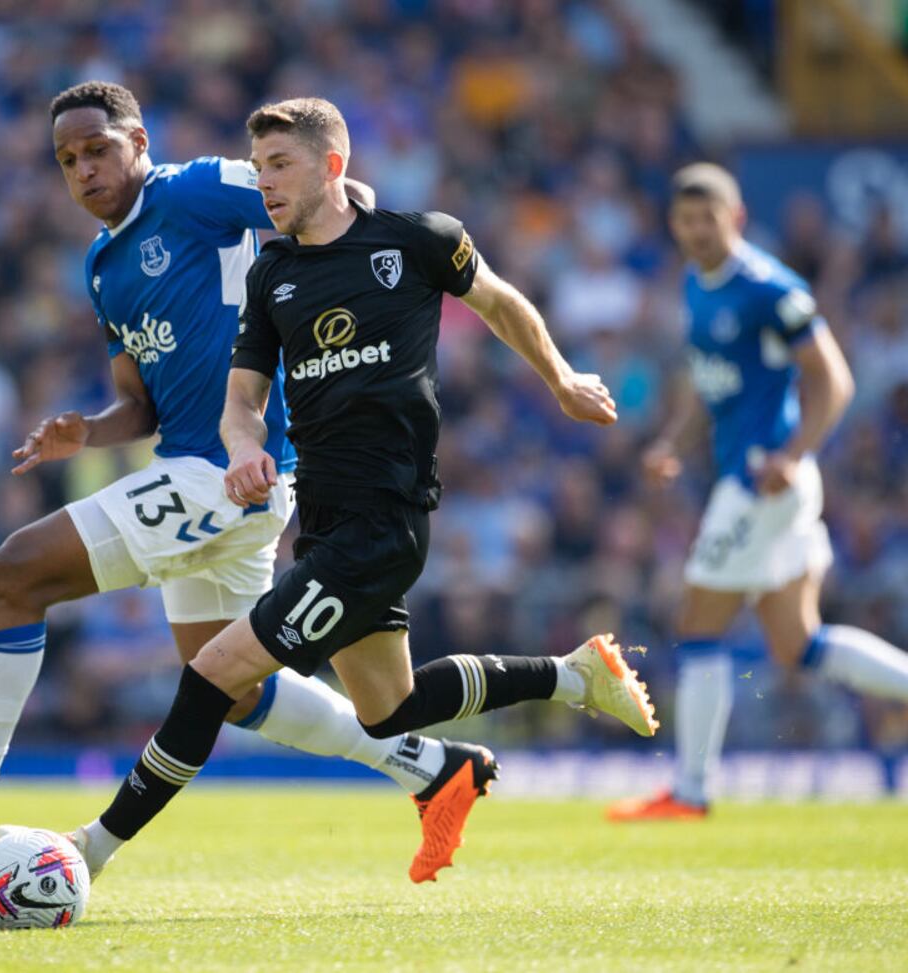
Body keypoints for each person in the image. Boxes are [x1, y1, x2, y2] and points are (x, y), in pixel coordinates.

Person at [0, 81, 484, 881]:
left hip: (227, 472)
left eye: (99, 149)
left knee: (14, 573)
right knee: (236, 690)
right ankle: (431, 768)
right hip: (193, 466)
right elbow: (137, 404)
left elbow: (335, 193)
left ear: (139, 143)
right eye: (67, 159)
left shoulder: (192, 191)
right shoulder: (105, 264)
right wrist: (89, 429)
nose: (83, 168)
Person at [60, 98, 657, 887]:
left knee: (212, 674)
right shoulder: (274, 272)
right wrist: (242, 450)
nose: (264, 183)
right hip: (325, 521)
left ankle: (89, 849)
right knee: (390, 708)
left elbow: (501, 301)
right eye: (259, 166)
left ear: (332, 166)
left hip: (385, 524)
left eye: (281, 165)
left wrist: (563, 378)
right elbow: (241, 400)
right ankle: (577, 673)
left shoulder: (416, 240)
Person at [608, 164, 908, 821]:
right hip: (752, 481)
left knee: (698, 624)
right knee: (798, 643)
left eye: (708, 219)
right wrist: (674, 443)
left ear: (736, 217)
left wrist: (793, 456)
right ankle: (690, 790)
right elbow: (708, 380)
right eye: (685, 221)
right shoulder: (696, 282)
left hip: (762, 484)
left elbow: (835, 380)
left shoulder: (770, 288)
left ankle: (689, 791)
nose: (696, 231)